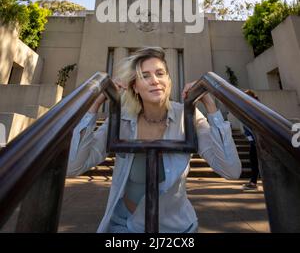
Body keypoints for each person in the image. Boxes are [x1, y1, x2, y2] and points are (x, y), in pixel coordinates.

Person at [67, 47, 241, 233]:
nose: (155, 81)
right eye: (145, 76)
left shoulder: (186, 116)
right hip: (124, 225)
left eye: (160, 74)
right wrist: (95, 104)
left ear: (168, 80)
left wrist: (210, 105)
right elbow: (73, 166)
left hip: (176, 229)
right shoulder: (121, 119)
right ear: (134, 86)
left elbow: (231, 170)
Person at [242, 89, 260, 191]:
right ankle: (253, 181)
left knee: (254, 159)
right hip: (254, 139)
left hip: (259, 139)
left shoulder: (254, 106)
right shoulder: (249, 107)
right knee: (253, 159)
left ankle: (253, 182)